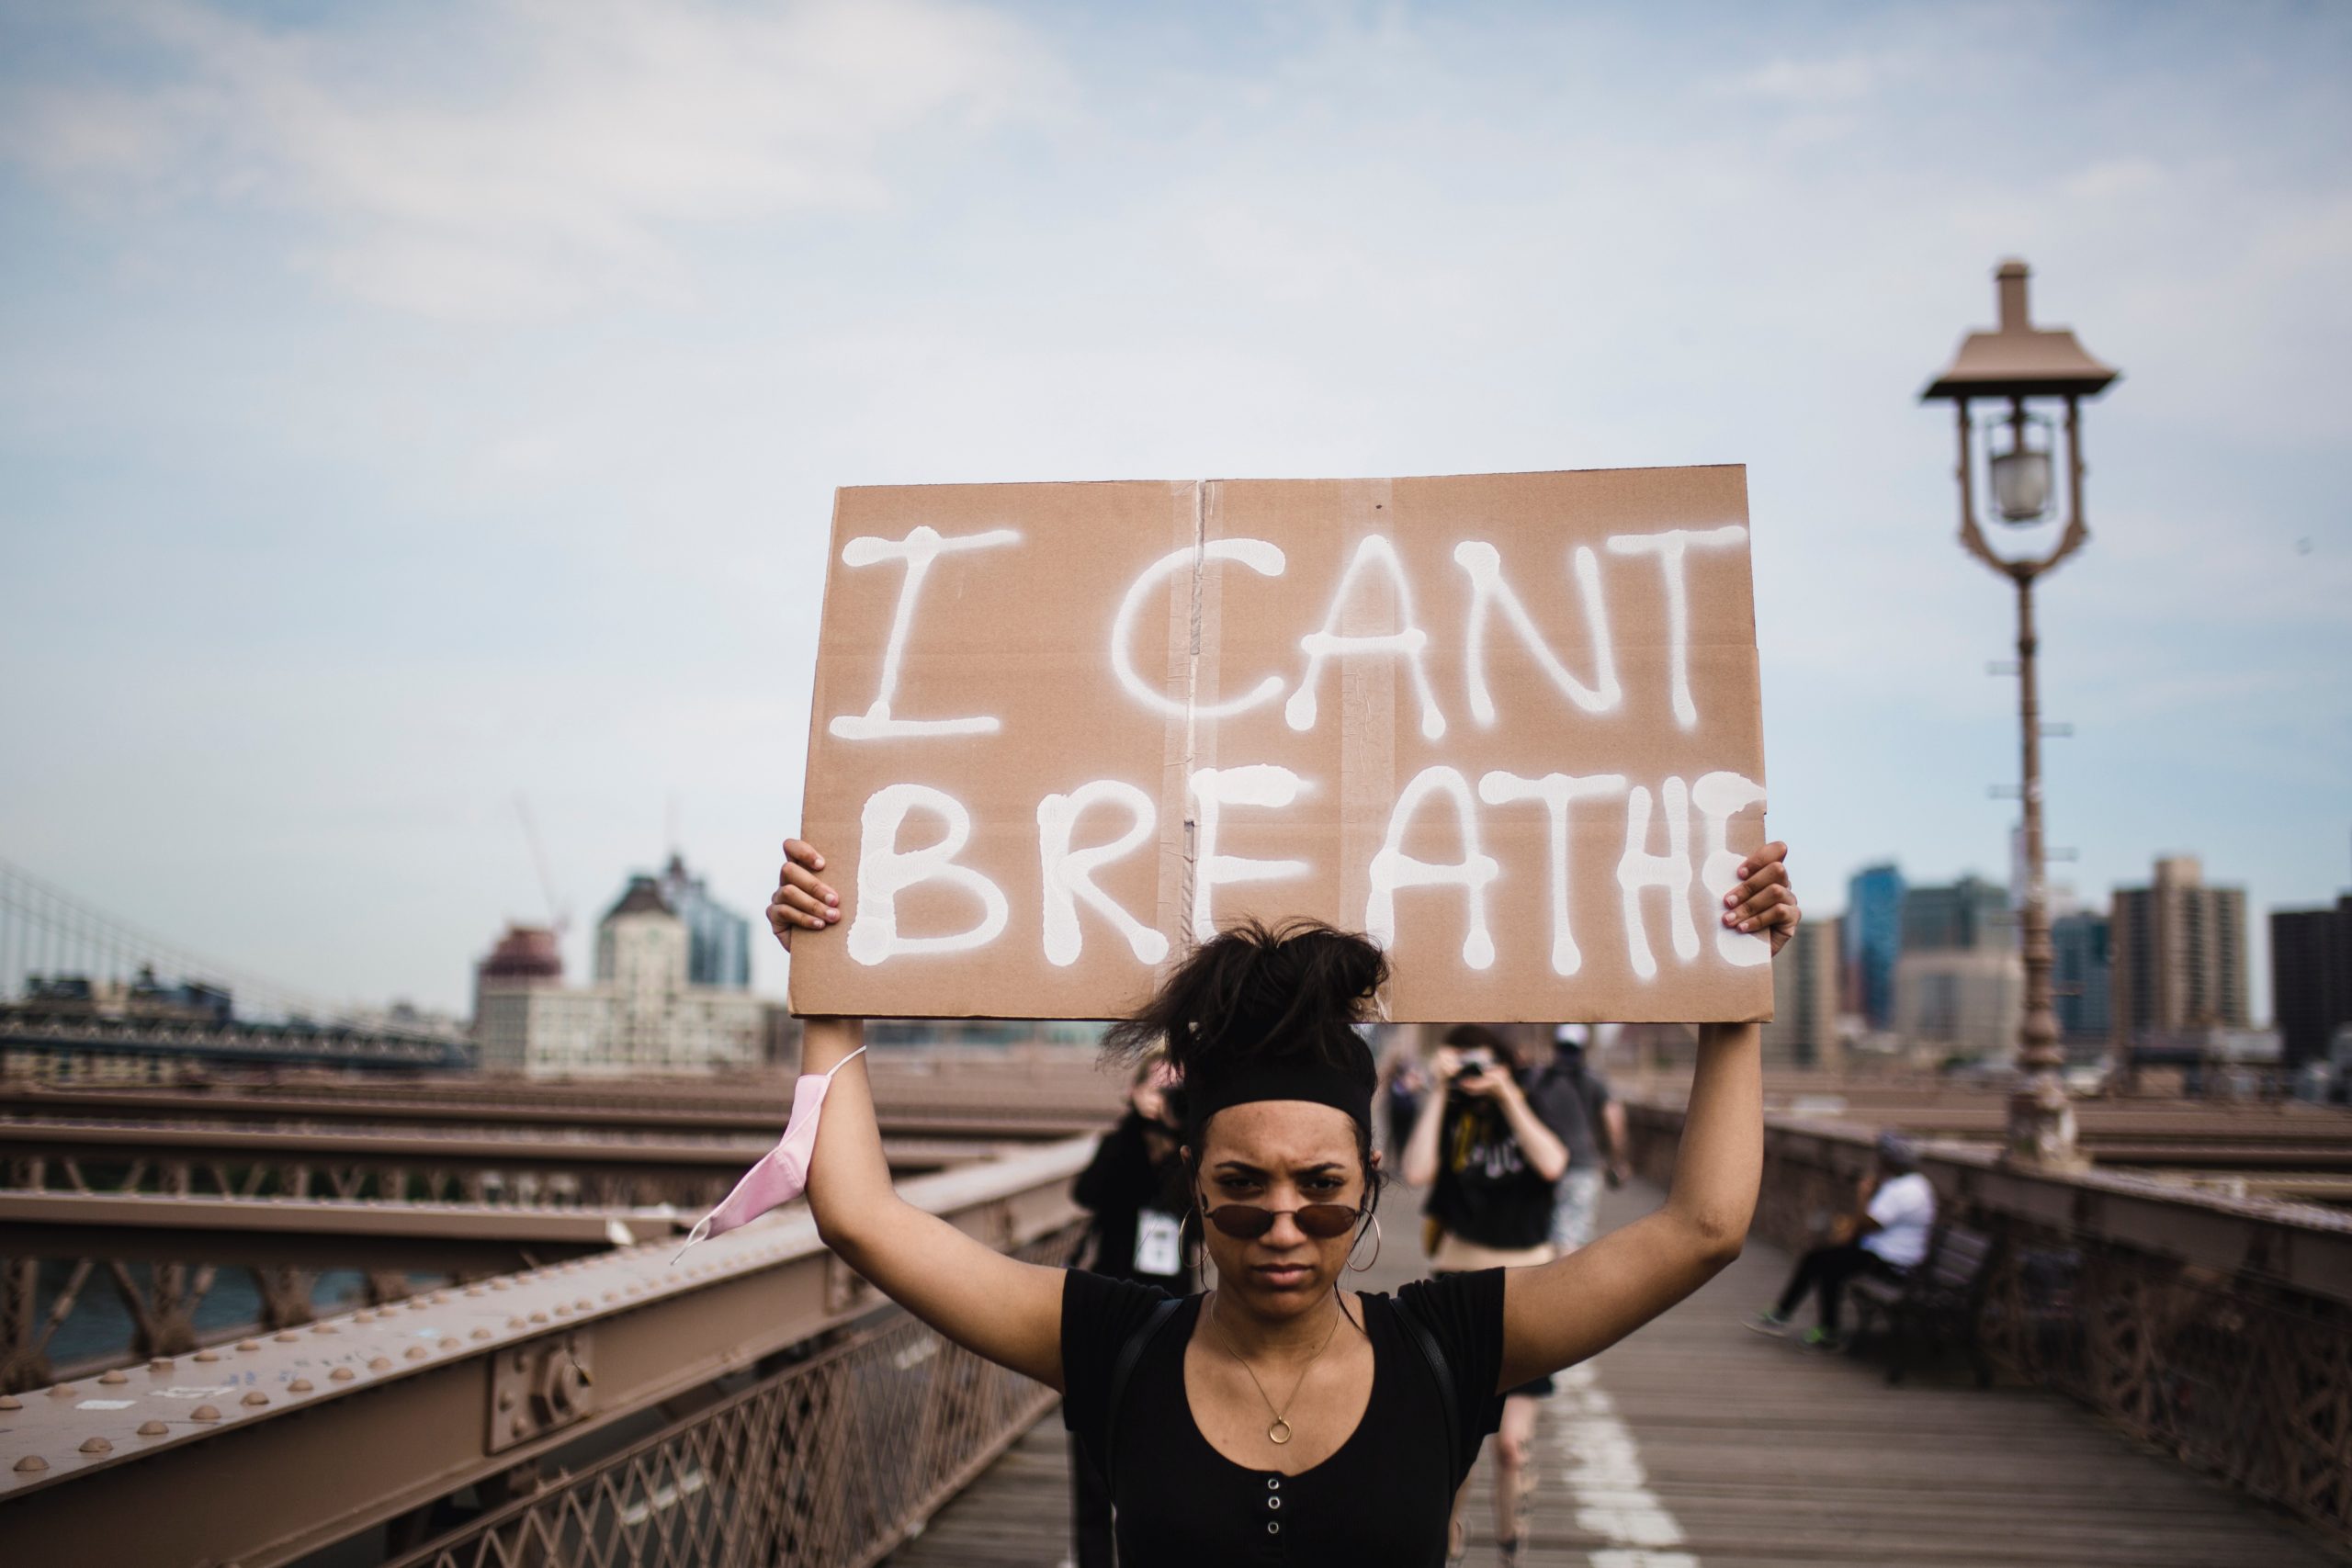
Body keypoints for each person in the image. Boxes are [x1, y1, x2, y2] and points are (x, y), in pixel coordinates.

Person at [766, 834, 1799, 1568]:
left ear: (1371, 1183)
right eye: (1239, 1189)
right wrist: (828, 977)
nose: (1283, 1227)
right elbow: (860, 1216)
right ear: (1193, 1185)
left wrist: (1733, 995)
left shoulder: (1448, 1345)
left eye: (1323, 1191)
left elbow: (1702, 1228)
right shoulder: (1110, 1341)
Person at [1401, 1023, 1581, 1563]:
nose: (1472, 1073)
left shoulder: (1538, 1096)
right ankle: (1451, 1549)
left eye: (1481, 1061)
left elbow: (1552, 1164)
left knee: (1510, 1446)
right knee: (1459, 1450)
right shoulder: (1448, 1109)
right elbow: (1416, 1172)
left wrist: (1506, 1094)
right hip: (1457, 1289)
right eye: (1461, 1061)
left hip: (1527, 1289)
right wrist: (1439, 1092)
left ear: (1505, 1060)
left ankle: (1510, 1548)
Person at [1066, 1049, 1192, 1566]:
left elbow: (1203, 1220)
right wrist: (1132, 1130)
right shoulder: (1119, 1145)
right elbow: (1087, 1193)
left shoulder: (1196, 1153)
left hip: (1171, 1316)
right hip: (1107, 1309)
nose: (1164, 1099)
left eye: (1176, 1089)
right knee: (1092, 1456)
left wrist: (1178, 1138)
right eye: (1155, 1088)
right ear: (1136, 1091)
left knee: (1157, 1453)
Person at [1747, 1131, 1935, 1349]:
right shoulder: (1912, 1184)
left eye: (1882, 1157)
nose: (1879, 1161)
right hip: (1882, 1253)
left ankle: (1824, 1329)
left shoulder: (1905, 1191)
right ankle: (1785, 1314)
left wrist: (1863, 1195)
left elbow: (1867, 1225)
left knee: (1828, 1267)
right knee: (1817, 1258)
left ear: (1891, 1160)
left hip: (1893, 1263)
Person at [1543, 1024, 1631, 1257]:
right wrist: (1617, 1159)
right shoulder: (1594, 1080)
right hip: (1584, 1164)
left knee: (1550, 1232)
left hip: (1544, 1166)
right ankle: (1567, 1287)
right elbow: (1614, 1122)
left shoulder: (1540, 1079)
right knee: (1573, 1233)